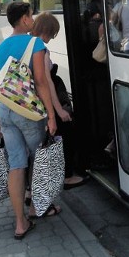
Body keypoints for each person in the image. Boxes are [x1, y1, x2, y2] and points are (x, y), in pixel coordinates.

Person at [0, 1, 58, 240]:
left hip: (6, 113)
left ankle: (20, 223)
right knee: (38, 160)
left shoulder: (0, 47)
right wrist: (51, 115)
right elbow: (41, 82)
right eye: (30, 16)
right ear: (24, 19)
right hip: (28, 113)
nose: (32, 19)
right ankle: (37, 206)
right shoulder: (35, 43)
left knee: (17, 163)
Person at [31, 12, 88, 190]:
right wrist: (58, 111)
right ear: (47, 30)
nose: (53, 37)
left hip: (33, 102)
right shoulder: (41, 50)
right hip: (47, 101)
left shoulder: (28, 44)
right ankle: (66, 176)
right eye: (53, 32)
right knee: (67, 135)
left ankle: (31, 188)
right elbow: (47, 82)